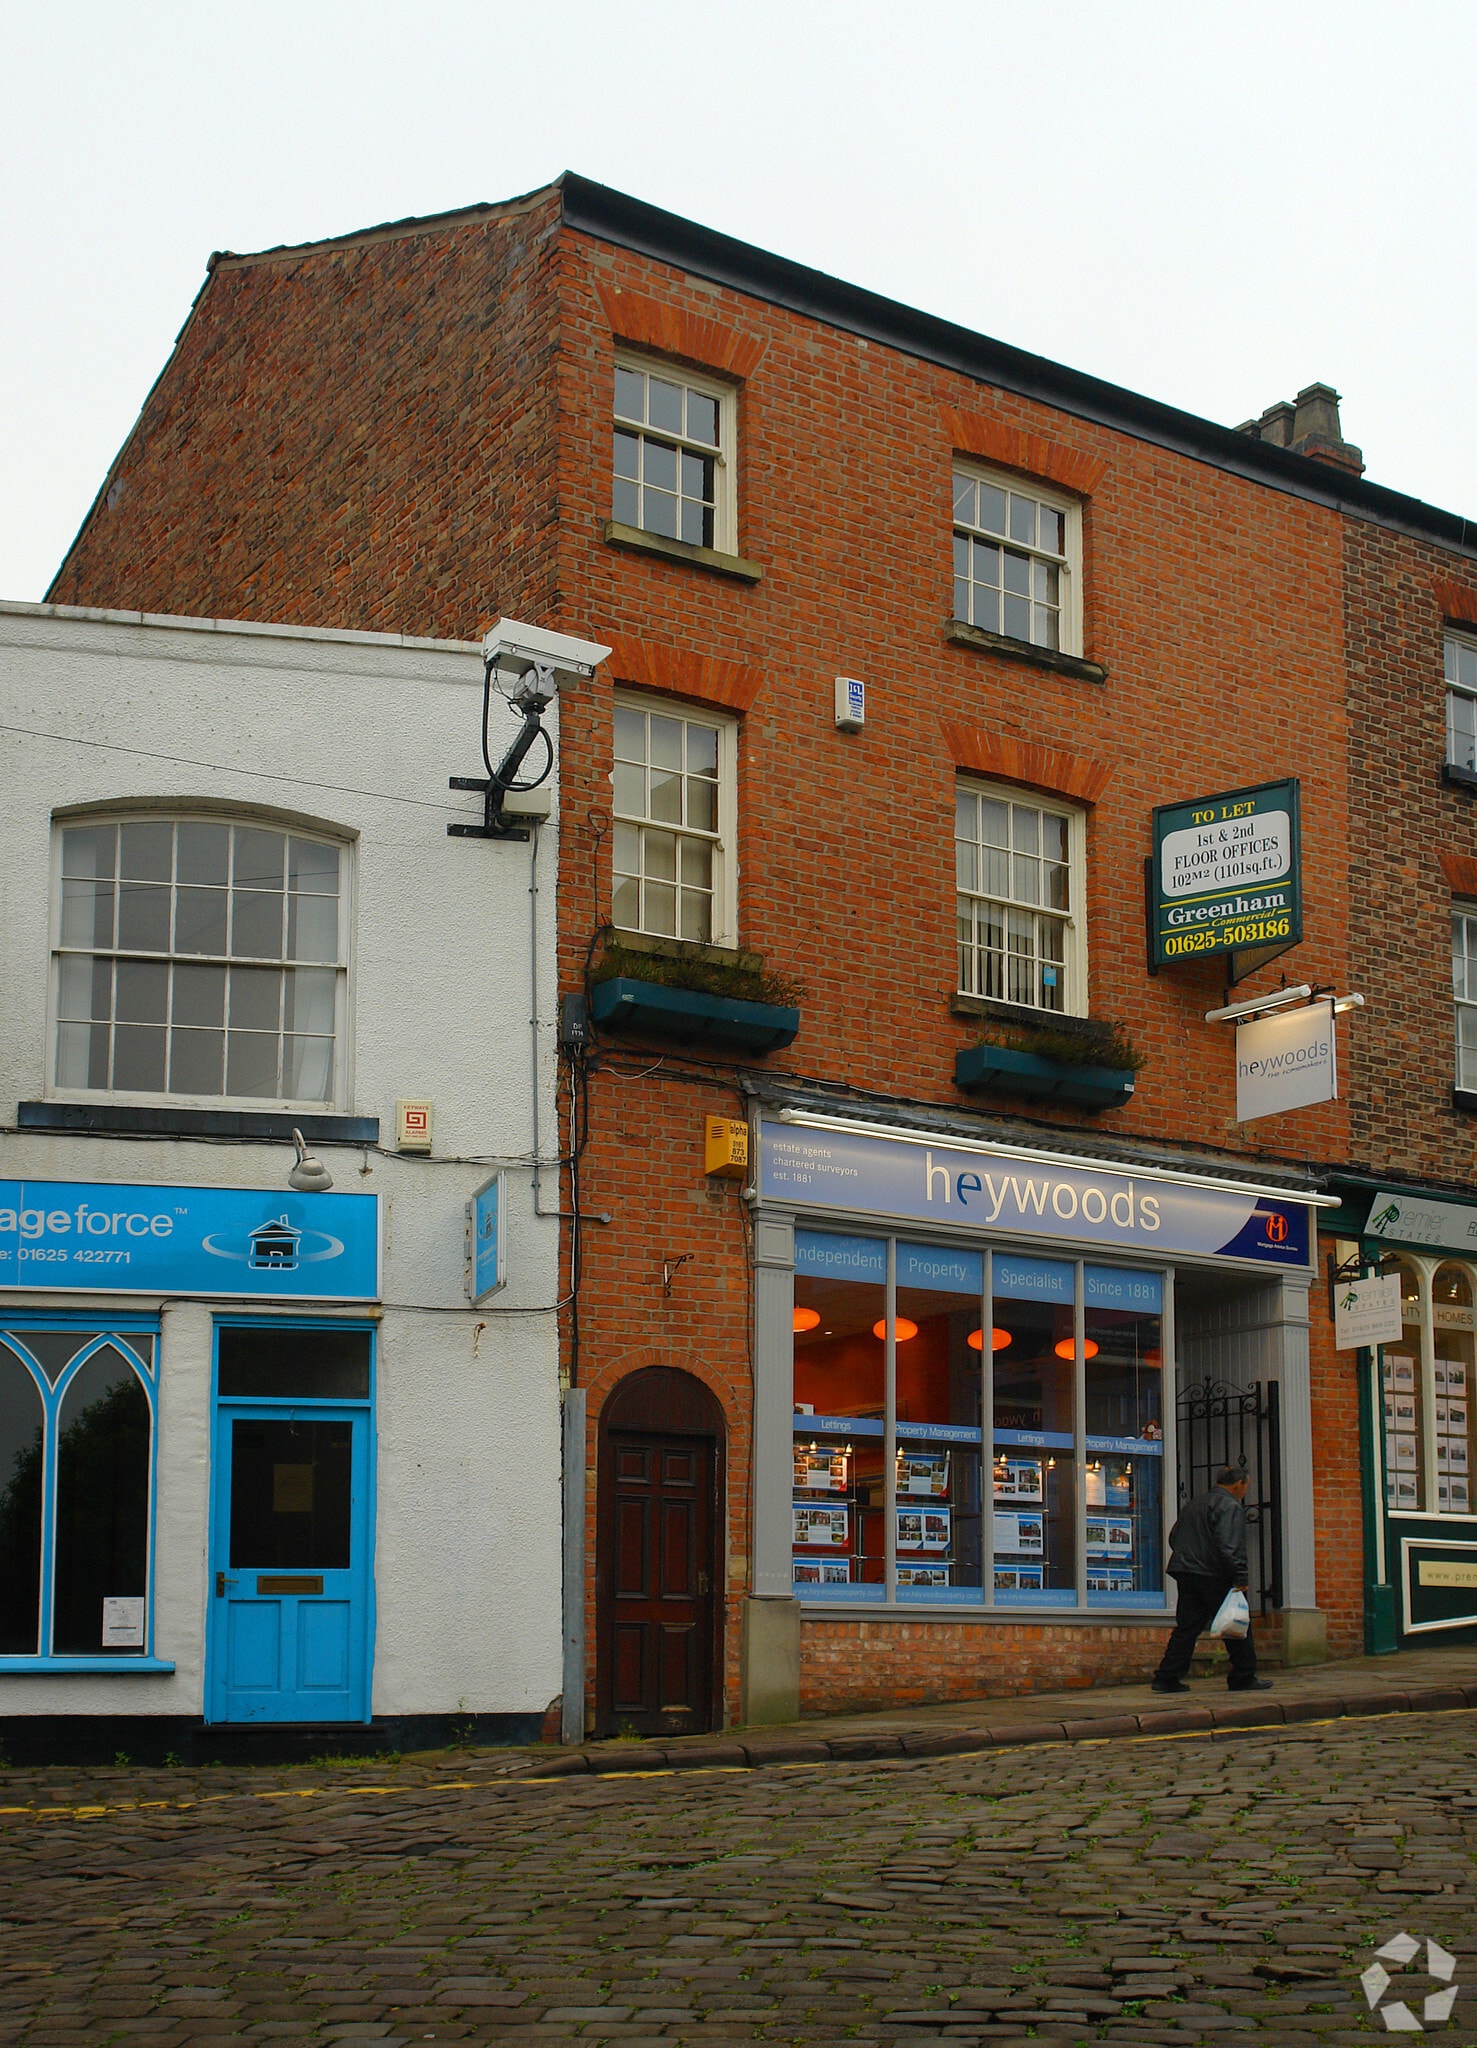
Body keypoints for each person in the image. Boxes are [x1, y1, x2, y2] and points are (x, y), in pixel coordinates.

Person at [1150, 1466, 1271, 1694]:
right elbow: (1229, 1545)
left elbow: (1174, 1537)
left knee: (1187, 1627)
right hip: (1214, 1573)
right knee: (1236, 1624)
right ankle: (1243, 1676)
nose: (1245, 1490)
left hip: (1186, 1571)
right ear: (1238, 1484)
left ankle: (1167, 1677)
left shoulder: (1195, 1503)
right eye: (1246, 1486)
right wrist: (1240, 1577)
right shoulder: (1230, 1505)